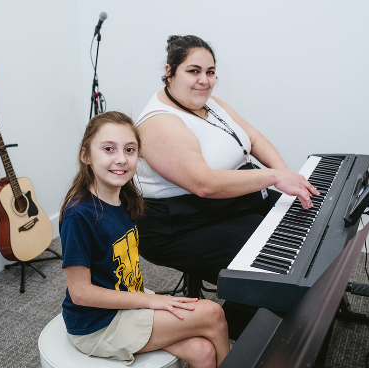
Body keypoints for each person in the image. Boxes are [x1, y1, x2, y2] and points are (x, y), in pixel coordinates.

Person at [59, 111, 230, 368]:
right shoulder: (80, 215)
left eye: (130, 150)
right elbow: (81, 293)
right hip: (97, 325)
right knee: (212, 314)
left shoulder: (124, 198)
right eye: (108, 149)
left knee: (203, 352)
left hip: (128, 301)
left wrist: (146, 300)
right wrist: (152, 301)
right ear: (86, 155)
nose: (121, 159)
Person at [135, 34, 319, 288]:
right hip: (180, 225)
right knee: (277, 259)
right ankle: (246, 319)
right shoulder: (159, 122)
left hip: (229, 204)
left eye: (210, 72)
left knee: (306, 223)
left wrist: (285, 173)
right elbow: (204, 184)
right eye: (193, 71)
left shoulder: (211, 104)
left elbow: (253, 139)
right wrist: (274, 177)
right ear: (170, 72)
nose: (204, 80)